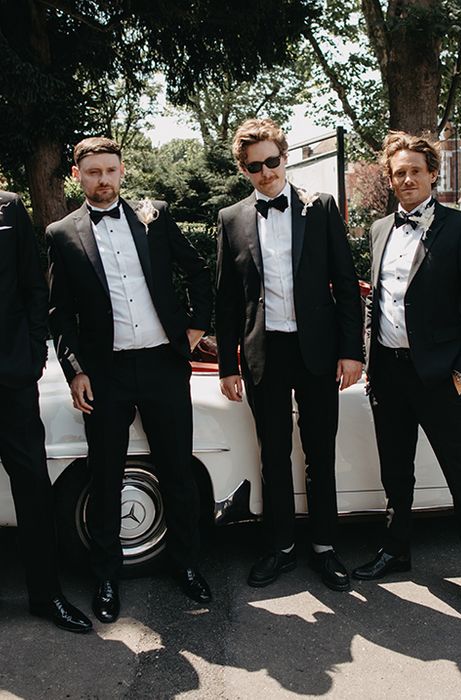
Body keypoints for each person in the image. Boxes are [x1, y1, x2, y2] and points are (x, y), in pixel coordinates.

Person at [47, 137, 214, 624]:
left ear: (122, 171)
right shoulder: (62, 232)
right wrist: (75, 369)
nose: (103, 179)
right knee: (105, 476)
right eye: (93, 171)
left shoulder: (154, 215)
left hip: (163, 363)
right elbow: (60, 315)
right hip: (105, 373)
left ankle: (185, 565)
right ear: (78, 175)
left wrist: (196, 327)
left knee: (177, 471)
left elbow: (198, 271)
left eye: (110, 170)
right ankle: (105, 576)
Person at [351, 132, 461, 622]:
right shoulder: (378, 230)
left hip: (440, 378)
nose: (407, 179)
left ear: (433, 174)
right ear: (390, 178)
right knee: (396, 474)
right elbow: (379, 302)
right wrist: (372, 365)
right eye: (398, 172)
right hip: (388, 377)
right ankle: (396, 551)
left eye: (415, 170)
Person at [216, 118, 364, 592]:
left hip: (317, 350)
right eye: (255, 166)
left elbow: (345, 284)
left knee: (320, 450)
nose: (266, 173)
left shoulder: (319, 207)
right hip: (265, 352)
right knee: (273, 454)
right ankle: (279, 547)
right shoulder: (231, 219)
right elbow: (225, 300)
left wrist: (351, 352)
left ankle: (324, 546)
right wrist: (226, 363)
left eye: (272, 161)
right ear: (245, 169)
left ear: (286, 155)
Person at [0, 191, 92, 633]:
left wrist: (34, 351)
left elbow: (34, 285)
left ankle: (46, 595)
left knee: (33, 485)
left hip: (12, 376)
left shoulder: (8, 206)